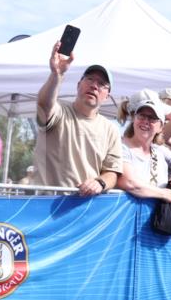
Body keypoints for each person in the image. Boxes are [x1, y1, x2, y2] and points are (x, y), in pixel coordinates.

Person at [33, 42, 122, 194]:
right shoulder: (60, 112)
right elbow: (44, 104)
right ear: (78, 85)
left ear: (107, 96)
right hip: (47, 206)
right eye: (90, 79)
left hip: (85, 209)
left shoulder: (110, 129)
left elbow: (112, 172)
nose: (94, 85)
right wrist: (57, 75)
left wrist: (99, 183)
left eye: (102, 84)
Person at [115, 90, 171, 203]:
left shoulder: (159, 151)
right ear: (134, 119)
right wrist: (164, 193)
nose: (146, 121)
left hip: (155, 218)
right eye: (142, 116)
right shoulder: (120, 146)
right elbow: (128, 182)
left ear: (160, 127)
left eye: (152, 118)